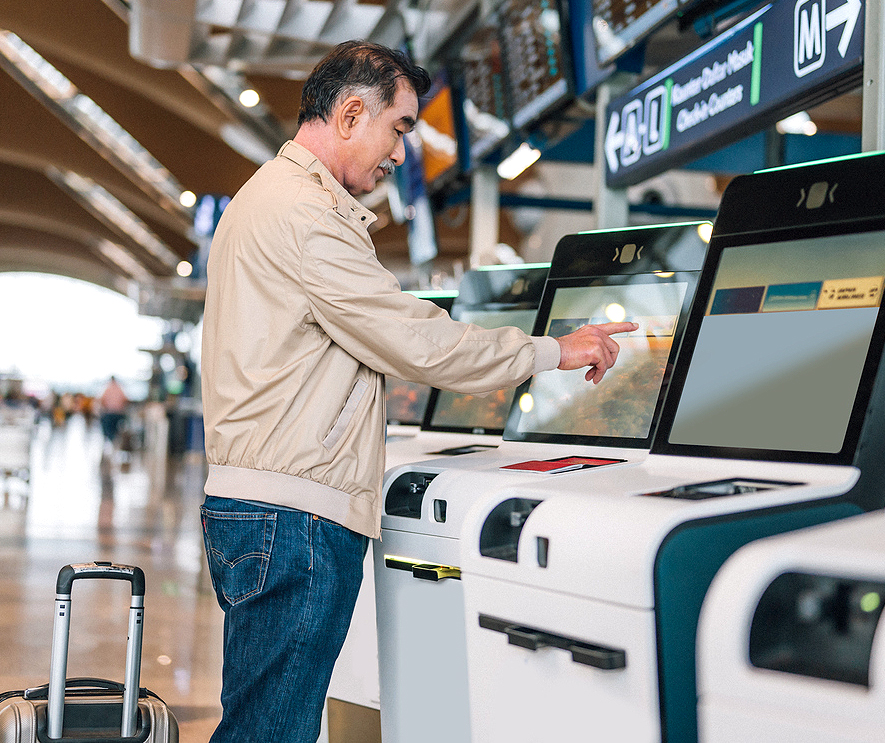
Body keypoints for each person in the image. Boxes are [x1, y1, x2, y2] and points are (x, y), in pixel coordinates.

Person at [199, 40, 636, 743]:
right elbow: (420, 342)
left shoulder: (266, 199)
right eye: (399, 128)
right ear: (349, 114)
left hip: (262, 506)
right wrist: (557, 349)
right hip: (295, 517)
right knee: (269, 731)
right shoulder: (305, 216)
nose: (402, 153)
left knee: (261, 720)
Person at [98, 376, 128, 444]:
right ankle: (114, 443)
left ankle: (110, 443)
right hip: (118, 413)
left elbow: (102, 400)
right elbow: (125, 400)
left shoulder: (107, 388)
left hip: (109, 413)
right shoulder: (120, 388)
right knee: (116, 430)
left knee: (108, 430)